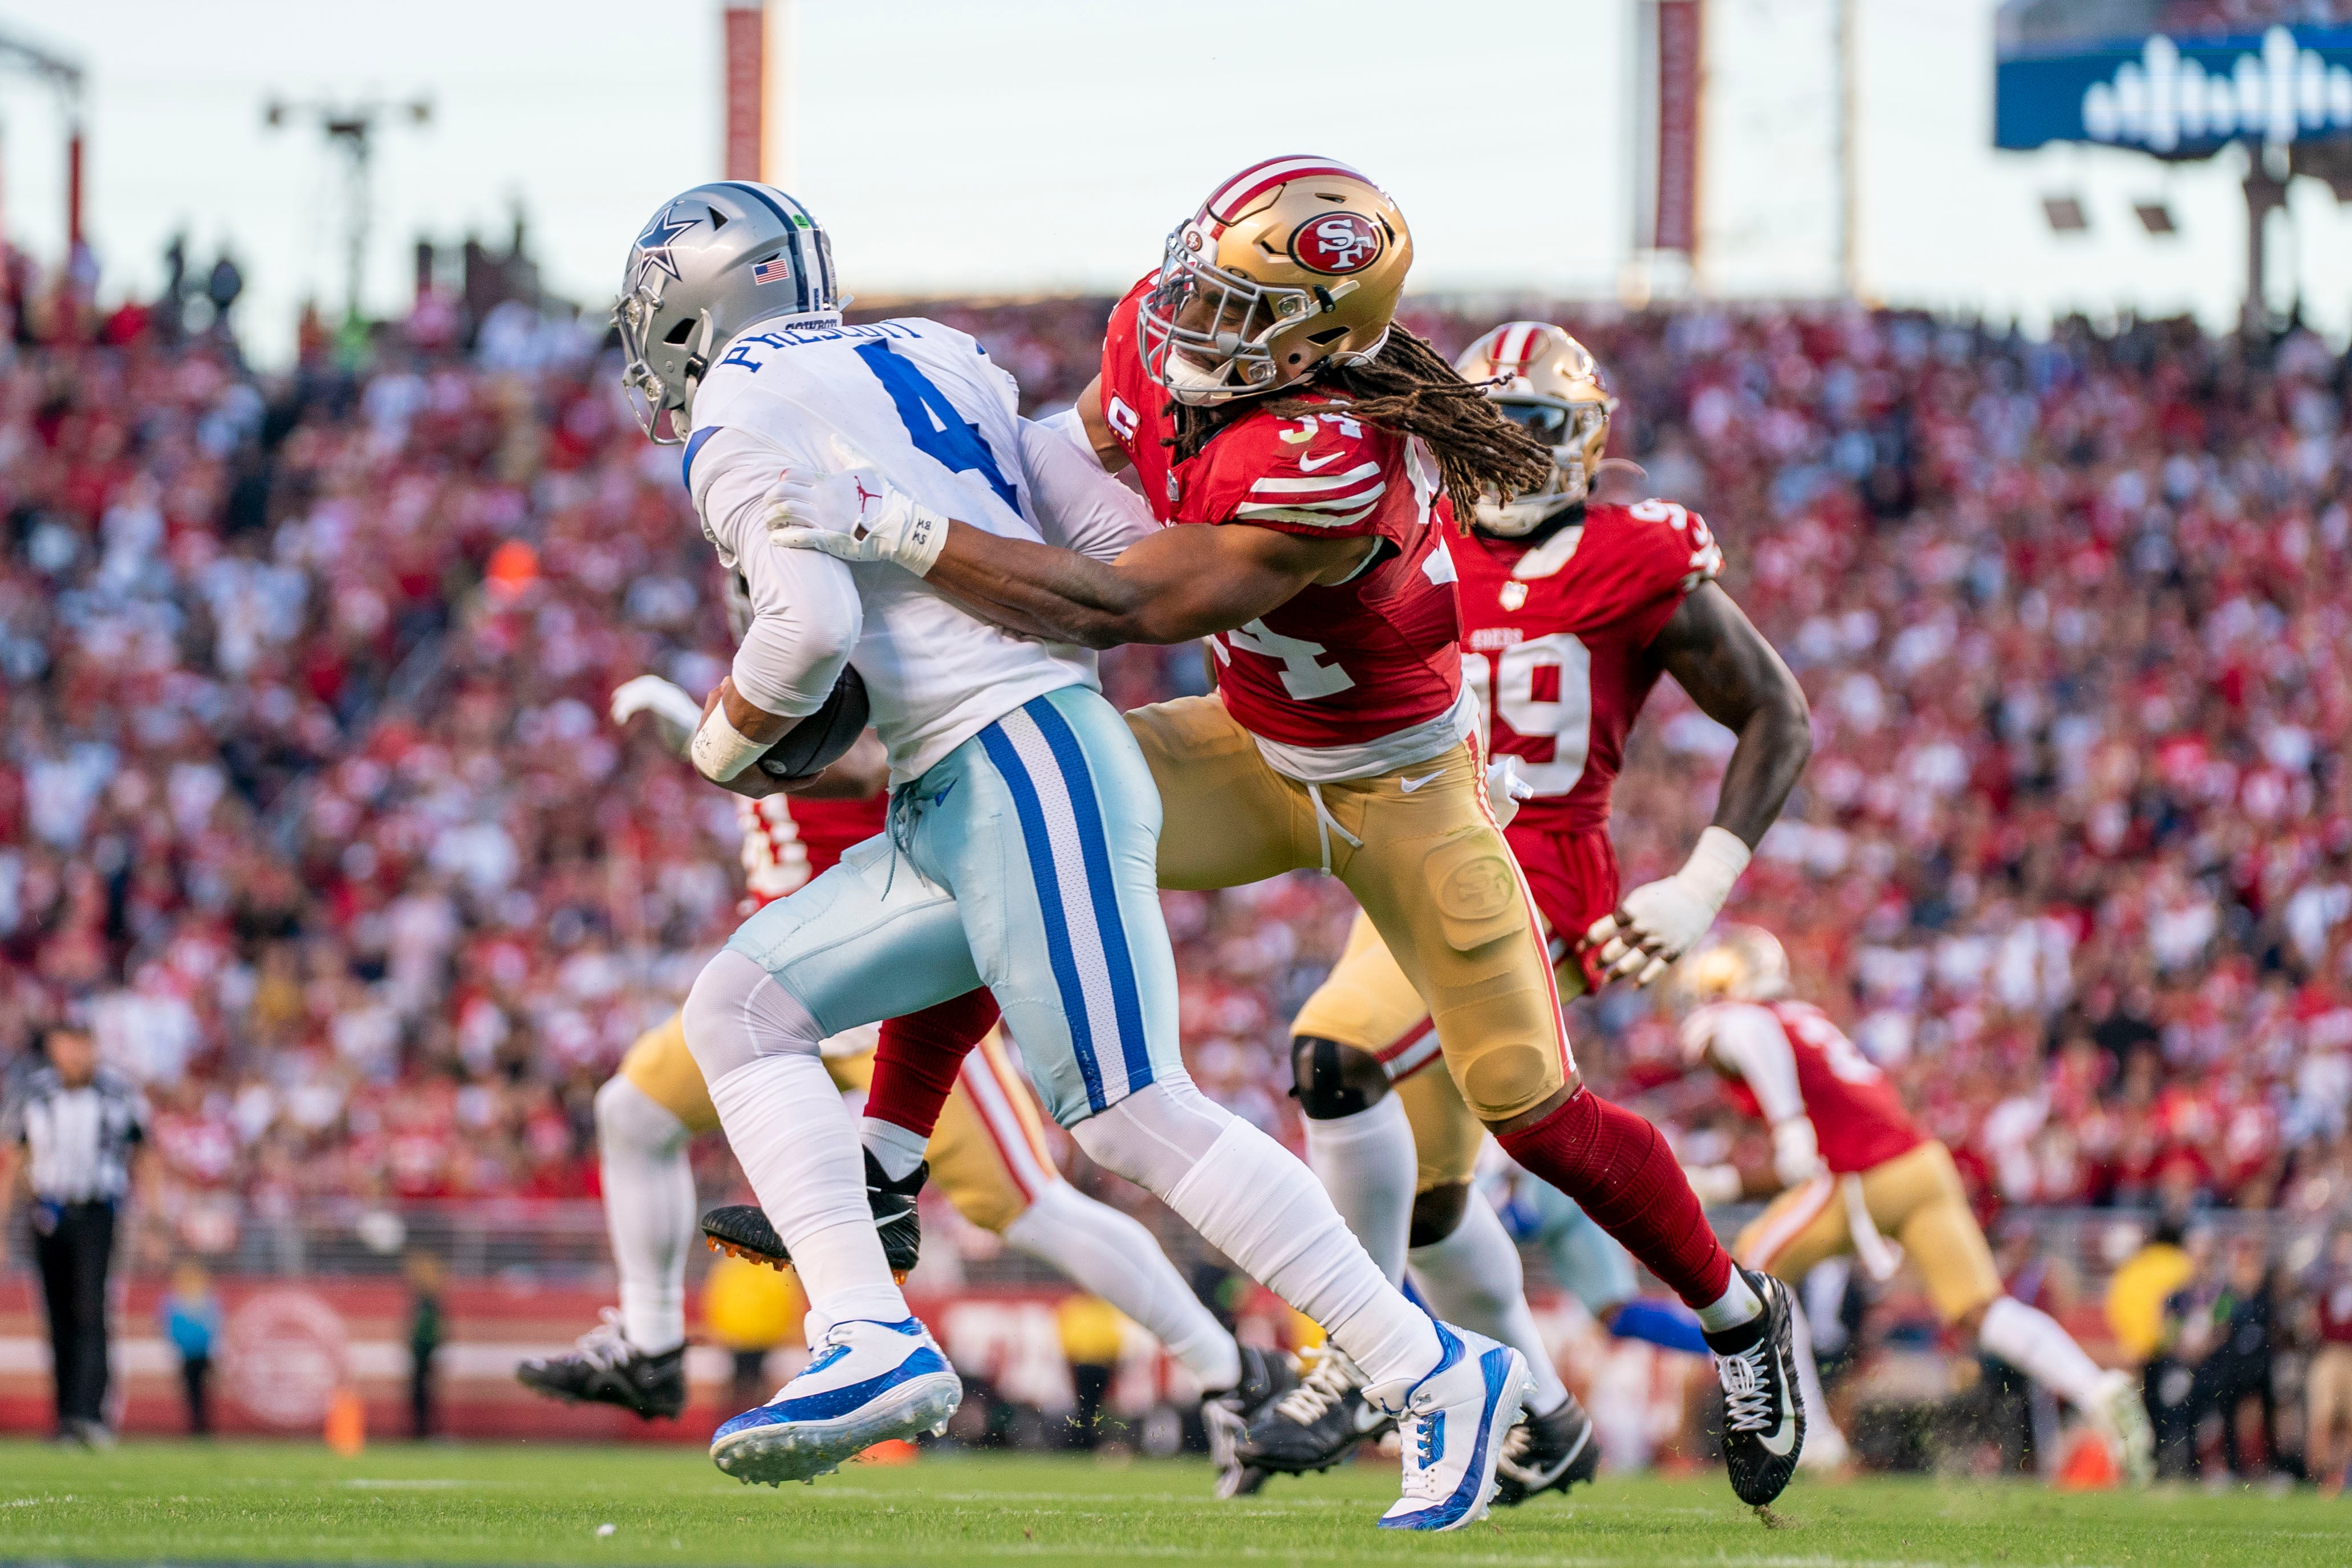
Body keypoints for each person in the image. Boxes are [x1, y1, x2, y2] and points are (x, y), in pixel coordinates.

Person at [773, 159, 1805, 1509]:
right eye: (1203, 281)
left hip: (1400, 788)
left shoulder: (1329, 451)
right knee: (1018, 819)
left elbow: (1116, 603)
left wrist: (903, 529)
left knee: (1531, 1109)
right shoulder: (1163, 330)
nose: (1191, 317)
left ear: (1323, 335)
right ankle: (890, 1155)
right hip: (1253, 745)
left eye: (1240, 304)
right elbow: (1064, 457)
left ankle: (1740, 1317)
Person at [616, 177, 1530, 1529]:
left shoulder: (740, 415)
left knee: (1129, 1107)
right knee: (742, 1004)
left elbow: (802, 629)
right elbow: (1105, 540)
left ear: (692, 306)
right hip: (982, 769)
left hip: (1023, 762)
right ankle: (865, 1333)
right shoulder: (935, 350)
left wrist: (720, 743)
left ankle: (1432, 1365)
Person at [1252, 322, 1810, 1498]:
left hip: (1537, 878)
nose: (1504, 448)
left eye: (1534, 426)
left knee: (1335, 1056)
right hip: (1411, 852)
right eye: (1488, 421)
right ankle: (1563, 1406)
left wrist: (1703, 878)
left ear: (1585, 440)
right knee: (1445, 1198)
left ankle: (1360, 1347)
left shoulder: (1634, 552)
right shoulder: (1415, 526)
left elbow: (1775, 711)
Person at [519, 669, 1283, 1467]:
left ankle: (1227, 1369)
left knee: (1027, 1205)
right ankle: (649, 1346)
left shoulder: (857, 646)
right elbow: (775, 759)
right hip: (771, 989)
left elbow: (888, 753)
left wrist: (723, 734)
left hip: (877, 975)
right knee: (632, 1112)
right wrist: (712, 728)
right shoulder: (777, 654)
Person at [1673, 925, 2153, 1483]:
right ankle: (2096, 1387)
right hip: (1920, 1163)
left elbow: (1750, 1036)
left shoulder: (1750, 1019)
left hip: (1865, 1174)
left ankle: (1816, 1440)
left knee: (1756, 1264)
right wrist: (1723, 1180)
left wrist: (1785, 1125)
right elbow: (1798, 1164)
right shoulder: (1806, 1021)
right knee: (1982, 1308)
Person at [0, 1022, 153, 1448]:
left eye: (81, 1048)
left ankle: (91, 1413)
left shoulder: (119, 1094)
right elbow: (14, 1159)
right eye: (66, 1049)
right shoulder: (33, 1094)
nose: (75, 1057)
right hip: (48, 1212)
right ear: (53, 1050)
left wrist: (155, 1219)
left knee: (91, 1309)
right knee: (57, 1314)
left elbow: (145, 1153)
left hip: (97, 1211)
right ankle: (66, 1415)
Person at [2304, 1225, 2352, 1493]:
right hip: (2330, 1353)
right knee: (2324, 1416)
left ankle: (2338, 1476)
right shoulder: (2325, 1284)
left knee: (2348, 1422)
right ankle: (2321, 1472)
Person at [159, 1261, 222, 1436]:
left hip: (201, 1355)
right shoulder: (179, 1301)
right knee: (194, 1392)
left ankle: (201, 1427)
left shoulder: (203, 1300)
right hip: (189, 1355)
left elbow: (215, 1328)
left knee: (200, 1392)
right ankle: (197, 1427)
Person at [407, 1250, 445, 1440]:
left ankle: (427, 1433)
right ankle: (420, 1433)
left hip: (426, 1354)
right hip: (419, 1354)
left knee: (426, 1394)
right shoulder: (421, 1301)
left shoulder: (431, 1303)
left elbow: (436, 1329)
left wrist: (437, 1350)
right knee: (419, 1394)